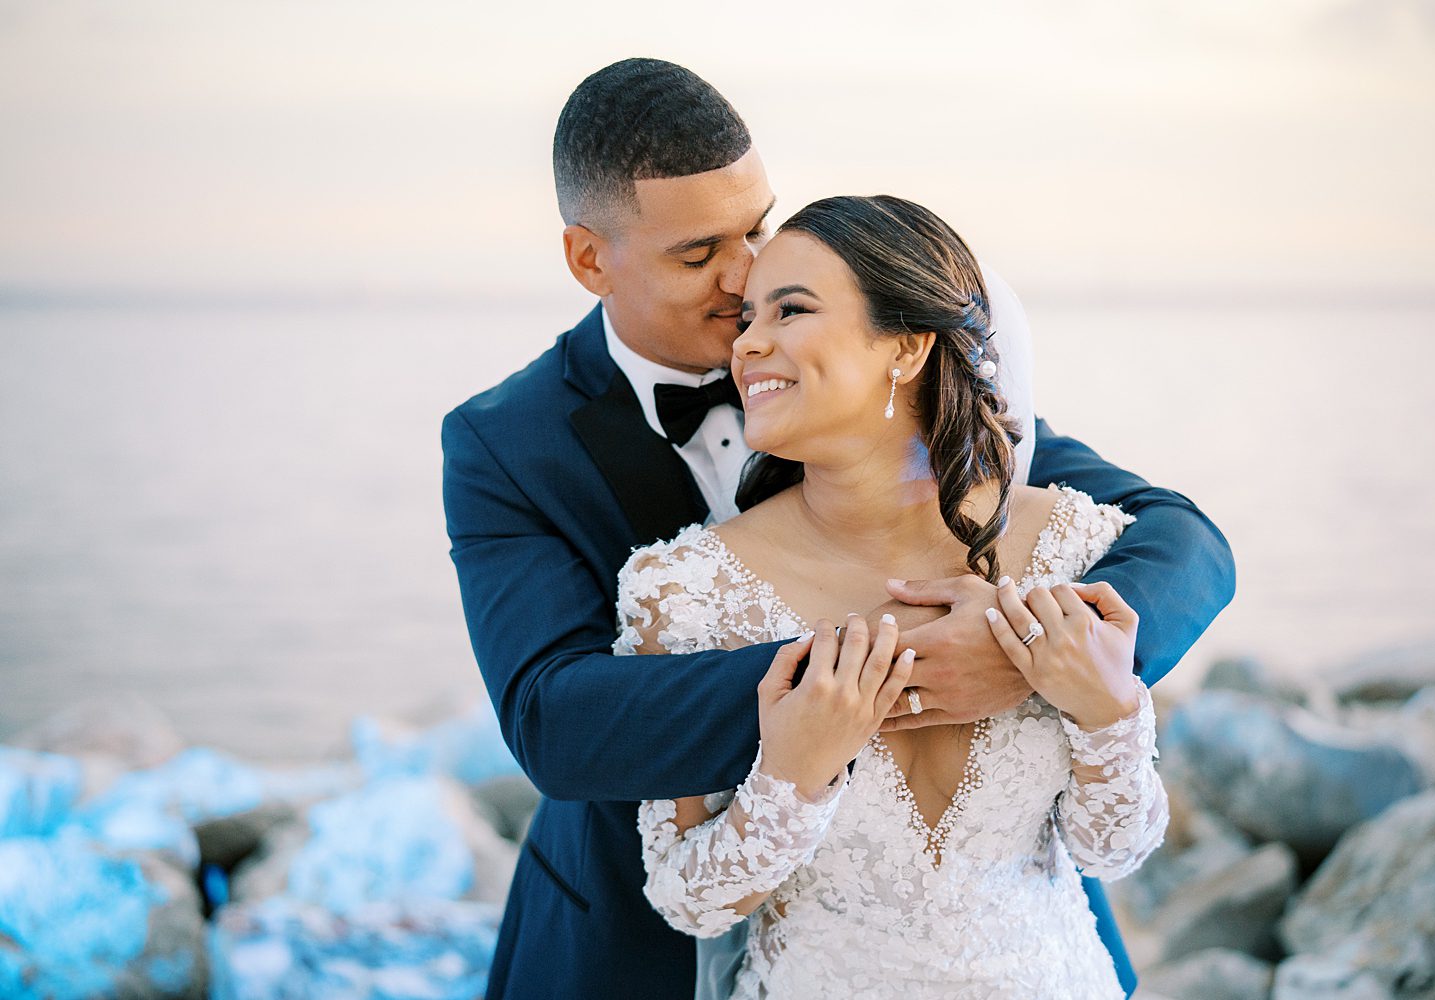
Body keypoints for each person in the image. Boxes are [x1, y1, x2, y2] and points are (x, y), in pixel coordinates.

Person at [440, 58, 1235, 1000]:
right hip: (633, 932)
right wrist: (875, 674)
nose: (744, 283)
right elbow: (552, 719)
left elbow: (1183, 542)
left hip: (1011, 936)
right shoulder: (506, 442)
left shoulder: (897, 388)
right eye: (700, 255)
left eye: (758, 229)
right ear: (589, 260)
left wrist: (1037, 647)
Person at [624, 194, 1168, 998]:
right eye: (746, 320)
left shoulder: (1074, 549)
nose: (747, 345)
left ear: (908, 347)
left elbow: (1112, 851)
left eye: (791, 309)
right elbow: (687, 899)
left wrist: (1108, 710)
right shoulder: (684, 591)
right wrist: (791, 775)